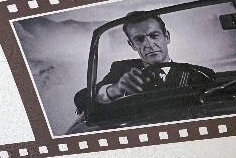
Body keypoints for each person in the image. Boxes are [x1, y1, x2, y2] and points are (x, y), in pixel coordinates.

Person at [73, 10, 215, 112]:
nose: (149, 44)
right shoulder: (122, 70)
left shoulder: (199, 74)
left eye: (154, 35)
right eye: (139, 39)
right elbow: (81, 98)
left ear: (167, 37)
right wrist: (115, 90)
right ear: (132, 45)